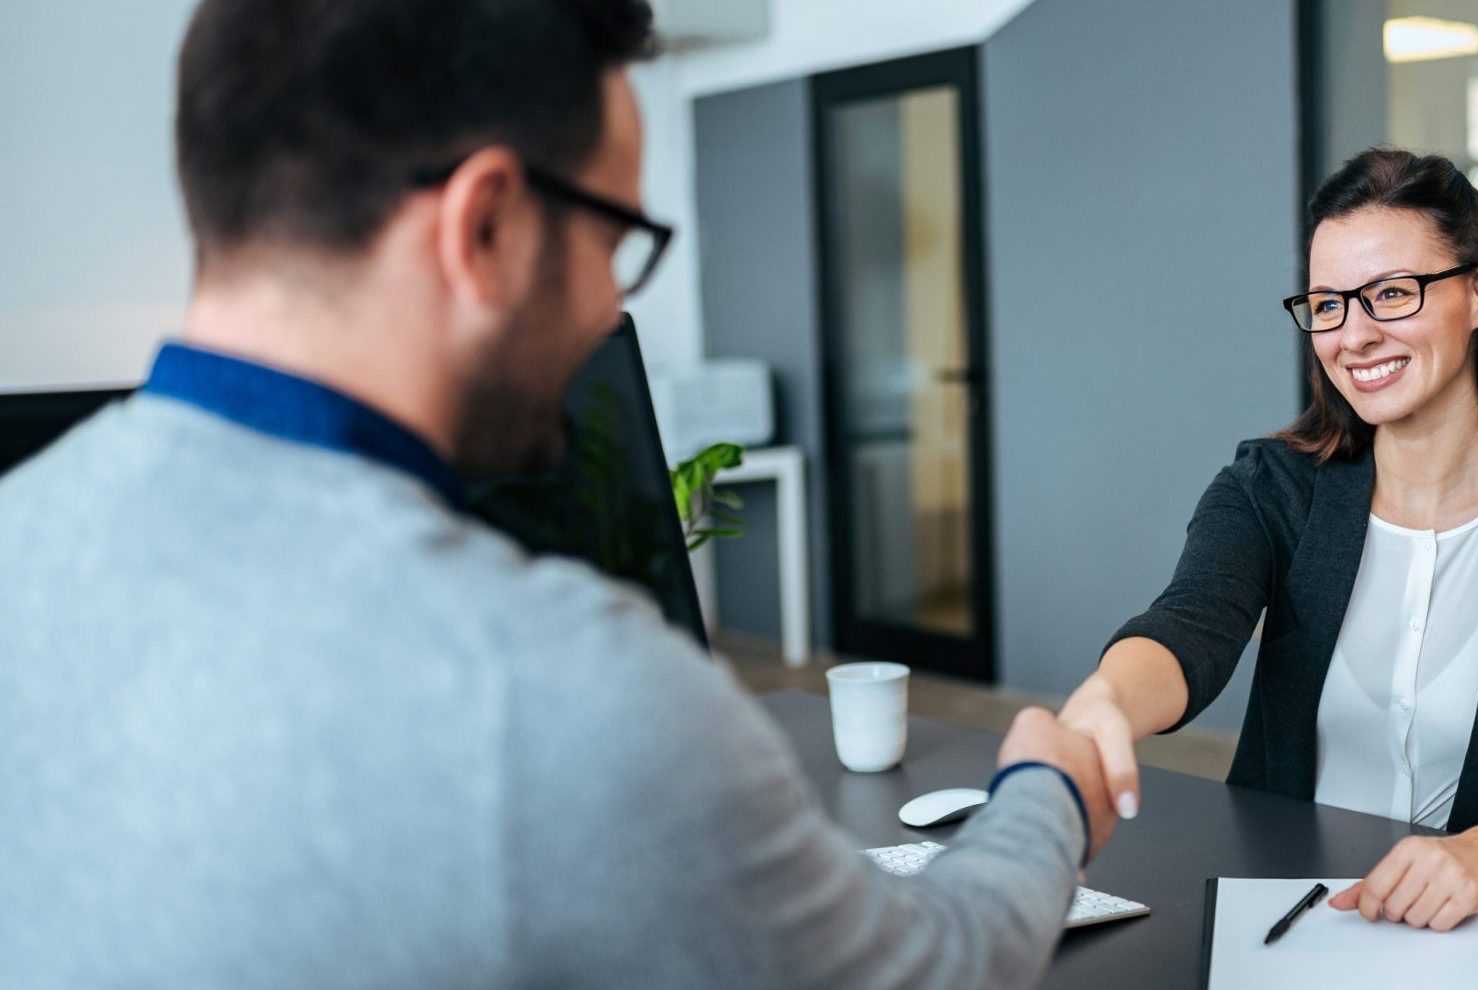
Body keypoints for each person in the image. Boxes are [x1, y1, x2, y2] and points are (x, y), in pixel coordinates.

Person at [0, 2, 1115, 987]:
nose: (604, 308)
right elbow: (932, 970)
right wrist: (1045, 795)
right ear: (484, 224)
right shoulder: (548, 692)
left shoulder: (22, 539)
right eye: (613, 239)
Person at [1056, 148, 1478, 933]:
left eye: (1391, 293)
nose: (1355, 334)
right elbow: (1191, 626)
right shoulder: (1272, 486)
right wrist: (1103, 705)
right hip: (1295, 913)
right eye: (1328, 304)